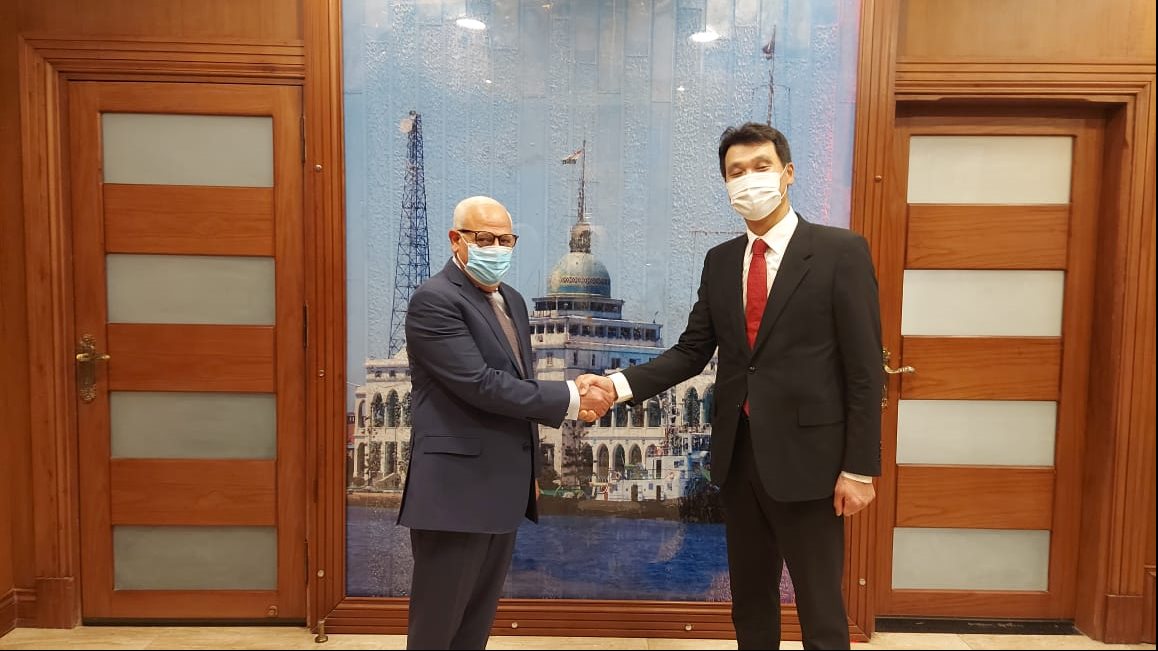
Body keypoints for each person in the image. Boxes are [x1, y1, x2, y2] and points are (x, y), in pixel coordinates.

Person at [579, 123, 883, 649]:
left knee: (821, 609)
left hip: (812, 462)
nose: (749, 179)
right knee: (750, 602)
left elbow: (863, 370)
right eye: (735, 172)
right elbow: (691, 351)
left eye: (761, 166)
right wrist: (616, 385)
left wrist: (859, 469)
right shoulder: (720, 261)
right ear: (726, 185)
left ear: (788, 173)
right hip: (739, 459)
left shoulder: (840, 252)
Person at [399, 196, 614, 650]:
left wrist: (530, 470)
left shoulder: (511, 300)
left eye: (505, 239)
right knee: (437, 627)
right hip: (454, 492)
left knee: (474, 626)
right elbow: (482, 385)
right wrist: (573, 397)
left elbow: (520, 384)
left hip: (502, 488)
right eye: (484, 238)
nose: (496, 248)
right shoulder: (434, 300)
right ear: (456, 240)